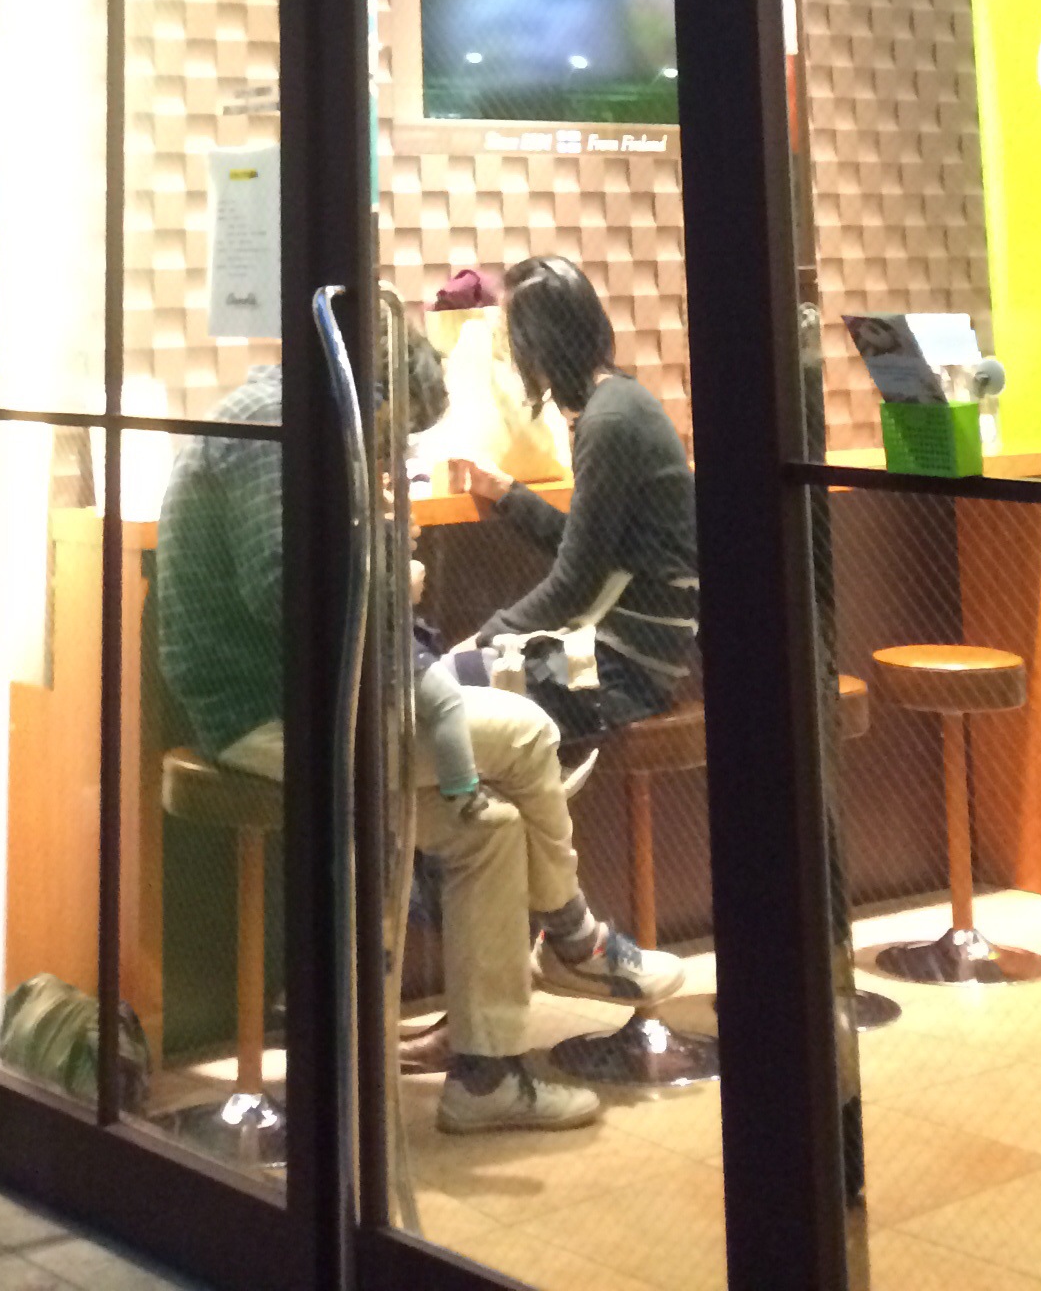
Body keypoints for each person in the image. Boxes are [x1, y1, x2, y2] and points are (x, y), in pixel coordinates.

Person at [156, 332, 682, 1142]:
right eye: (394, 429)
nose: (392, 448)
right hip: (268, 715)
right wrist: (393, 576)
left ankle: (486, 1076)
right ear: (372, 397)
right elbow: (283, 590)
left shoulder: (288, 417)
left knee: (491, 832)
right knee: (527, 732)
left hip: (307, 704)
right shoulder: (274, 427)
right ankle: (575, 936)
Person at [451, 254, 699, 741]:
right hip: (640, 651)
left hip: (623, 668)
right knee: (453, 687)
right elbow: (589, 551)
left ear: (537, 345)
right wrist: (508, 494)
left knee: (444, 695)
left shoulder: (608, 423)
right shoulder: (618, 402)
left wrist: (481, 638)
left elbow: (574, 583)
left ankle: (531, 796)